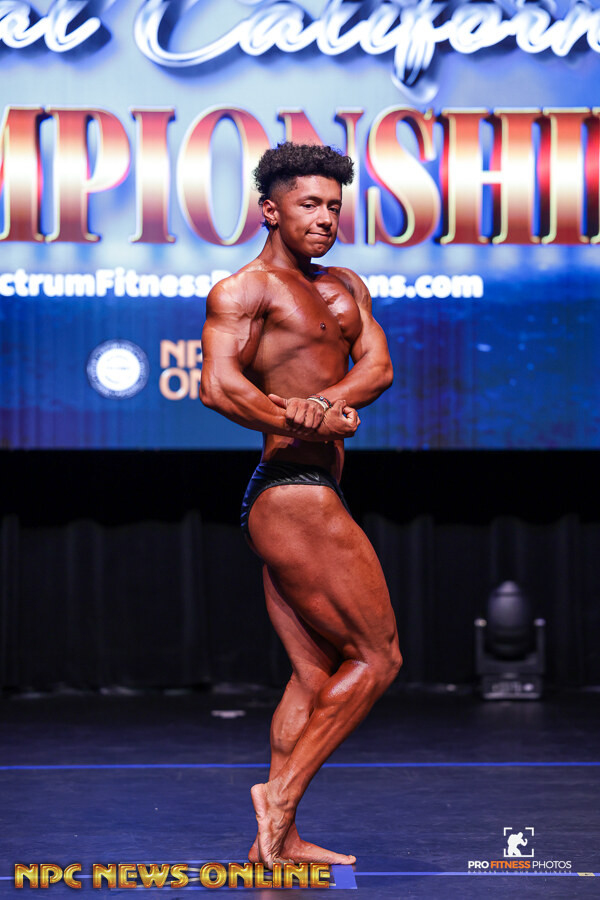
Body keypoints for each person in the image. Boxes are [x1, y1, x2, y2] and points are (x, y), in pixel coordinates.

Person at [200, 142, 402, 868]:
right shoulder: (245, 290)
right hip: (293, 494)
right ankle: (279, 797)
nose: (324, 219)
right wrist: (299, 421)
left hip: (307, 490)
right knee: (378, 658)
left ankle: (274, 844)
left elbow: (377, 367)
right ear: (270, 210)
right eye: (309, 205)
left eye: (334, 207)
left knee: (314, 676)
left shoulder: (345, 285)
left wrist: (326, 402)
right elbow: (218, 386)